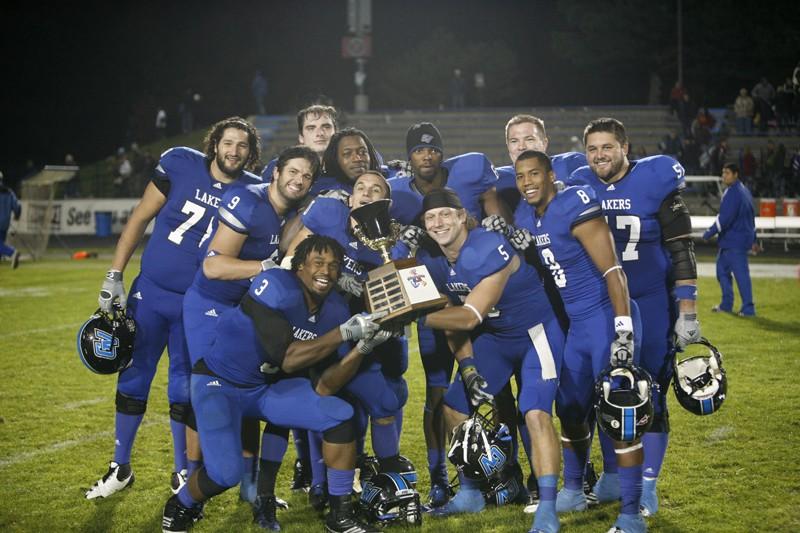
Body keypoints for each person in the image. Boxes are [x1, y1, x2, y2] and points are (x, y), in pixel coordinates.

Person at [84, 117, 262, 500]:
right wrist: (114, 274)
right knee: (133, 377)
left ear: (251, 152)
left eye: (242, 146)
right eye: (228, 143)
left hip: (200, 305)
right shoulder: (180, 163)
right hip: (150, 293)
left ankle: (182, 471)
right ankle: (120, 466)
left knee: (183, 385)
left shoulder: (253, 192)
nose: (234, 151)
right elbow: (139, 217)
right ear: (215, 144)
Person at [161, 235, 387, 533]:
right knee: (225, 474)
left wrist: (361, 349)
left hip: (265, 390)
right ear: (299, 267)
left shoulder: (333, 310)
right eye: (318, 263)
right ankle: (181, 504)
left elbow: (324, 387)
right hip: (219, 384)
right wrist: (343, 334)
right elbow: (289, 359)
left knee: (340, 417)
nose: (326, 271)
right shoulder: (276, 286)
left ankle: (340, 515)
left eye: (333, 266)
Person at [567, 118, 700, 518]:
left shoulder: (654, 178)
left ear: (625, 147)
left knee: (651, 394)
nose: (599, 155)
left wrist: (687, 310)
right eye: (592, 148)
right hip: (604, 304)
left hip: (651, 299)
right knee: (608, 390)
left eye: (607, 147)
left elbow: (681, 249)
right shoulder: (580, 183)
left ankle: (647, 487)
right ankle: (611, 477)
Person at [510, 149, 645, 533]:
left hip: (605, 318)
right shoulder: (526, 214)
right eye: (521, 176)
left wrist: (622, 331)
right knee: (569, 406)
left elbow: (614, 269)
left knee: (621, 413)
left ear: (551, 174)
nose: (527, 182)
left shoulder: (575, 201)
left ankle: (632, 514)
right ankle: (573, 488)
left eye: (534, 174)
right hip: (575, 326)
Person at [414, 189, 564, 533]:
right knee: (453, 406)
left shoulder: (485, 246)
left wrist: (411, 316)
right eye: (430, 217)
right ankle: (469, 492)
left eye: (445, 215)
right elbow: (450, 315)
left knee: (536, 413)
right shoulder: (434, 259)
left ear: (462, 216)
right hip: (495, 338)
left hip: (535, 333)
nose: (439, 223)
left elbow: (468, 316)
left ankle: (547, 506)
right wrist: (466, 365)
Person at [182, 144, 319, 502]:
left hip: (246, 310)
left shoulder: (289, 212)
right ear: (276, 172)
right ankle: (190, 482)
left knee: (249, 391)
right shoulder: (249, 200)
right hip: (211, 305)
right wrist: (269, 268)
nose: (299, 180)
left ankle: (250, 486)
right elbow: (213, 267)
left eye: (306, 176)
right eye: (293, 171)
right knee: (211, 389)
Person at [387, 122, 505, 508]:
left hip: (482, 296)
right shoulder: (397, 192)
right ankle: (440, 476)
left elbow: (490, 198)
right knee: (438, 395)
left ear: (442, 152)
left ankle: (503, 474)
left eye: (433, 149)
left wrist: (494, 219)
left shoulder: (467, 174)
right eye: (419, 151)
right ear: (409, 157)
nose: (427, 156)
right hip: (435, 291)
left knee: (498, 393)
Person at [282, 171, 411, 512]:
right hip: (323, 336)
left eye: (377, 190)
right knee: (324, 407)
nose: (367, 194)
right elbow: (291, 264)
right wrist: (335, 281)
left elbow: (404, 297)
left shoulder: (394, 244)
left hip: (371, 342)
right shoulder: (327, 217)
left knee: (386, 400)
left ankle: (386, 480)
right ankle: (320, 484)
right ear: (350, 199)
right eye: (361, 188)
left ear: (387, 203)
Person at [495, 114, 587, 219]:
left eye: (529, 139)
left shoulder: (571, 164)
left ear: (544, 143)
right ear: (508, 147)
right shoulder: (498, 178)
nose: (521, 147)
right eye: (514, 141)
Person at [703, 163, 756, 316]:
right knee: (722, 272)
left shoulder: (733, 192)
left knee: (741, 275)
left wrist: (708, 233)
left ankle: (748, 308)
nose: (723, 176)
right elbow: (751, 217)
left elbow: (724, 218)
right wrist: (754, 239)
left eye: (727, 173)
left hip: (734, 241)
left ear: (736, 174)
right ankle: (726, 305)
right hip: (733, 240)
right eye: (723, 172)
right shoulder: (744, 190)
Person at [261, 105, 338, 181]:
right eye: (311, 128)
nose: (320, 133)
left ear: (336, 133)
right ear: (301, 137)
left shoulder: (348, 169)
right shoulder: (279, 167)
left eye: (326, 127)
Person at [0, 171, 21, 269]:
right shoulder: (9, 192)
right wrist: (16, 220)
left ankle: (12, 252)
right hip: (5, 223)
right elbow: (17, 207)